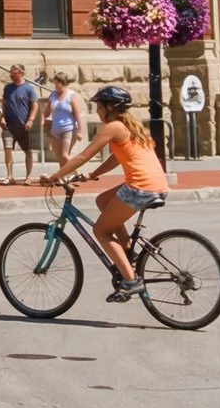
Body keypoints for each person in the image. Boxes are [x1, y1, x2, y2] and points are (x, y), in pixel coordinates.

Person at [44, 83, 168, 300]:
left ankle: (131, 281)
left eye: (99, 107)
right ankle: (128, 252)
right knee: (103, 200)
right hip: (156, 185)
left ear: (110, 107)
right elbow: (116, 157)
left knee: (101, 231)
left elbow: (83, 156)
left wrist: (55, 176)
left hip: (139, 187)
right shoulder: (131, 126)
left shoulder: (113, 127)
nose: (98, 111)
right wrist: (91, 175)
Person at [0, 64, 39, 184]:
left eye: (14, 73)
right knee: (7, 148)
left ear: (22, 73)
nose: (12, 75)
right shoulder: (7, 88)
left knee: (27, 150)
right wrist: (2, 117)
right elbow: (4, 103)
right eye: (11, 73)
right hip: (9, 126)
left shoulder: (29, 88)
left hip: (23, 126)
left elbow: (35, 105)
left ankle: (28, 176)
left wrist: (31, 120)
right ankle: (10, 176)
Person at [43, 73, 85, 174]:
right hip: (55, 129)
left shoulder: (71, 95)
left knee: (65, 155)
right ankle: (64, 178)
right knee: (60, 158)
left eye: (58, 82)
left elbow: (78, 114)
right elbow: (47, 111)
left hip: (68, 129)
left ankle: (76, 172)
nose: (56, 84)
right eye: (55, 82)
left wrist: (80, 131)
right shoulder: (53, 94)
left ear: (63, 83)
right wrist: (43, 119)